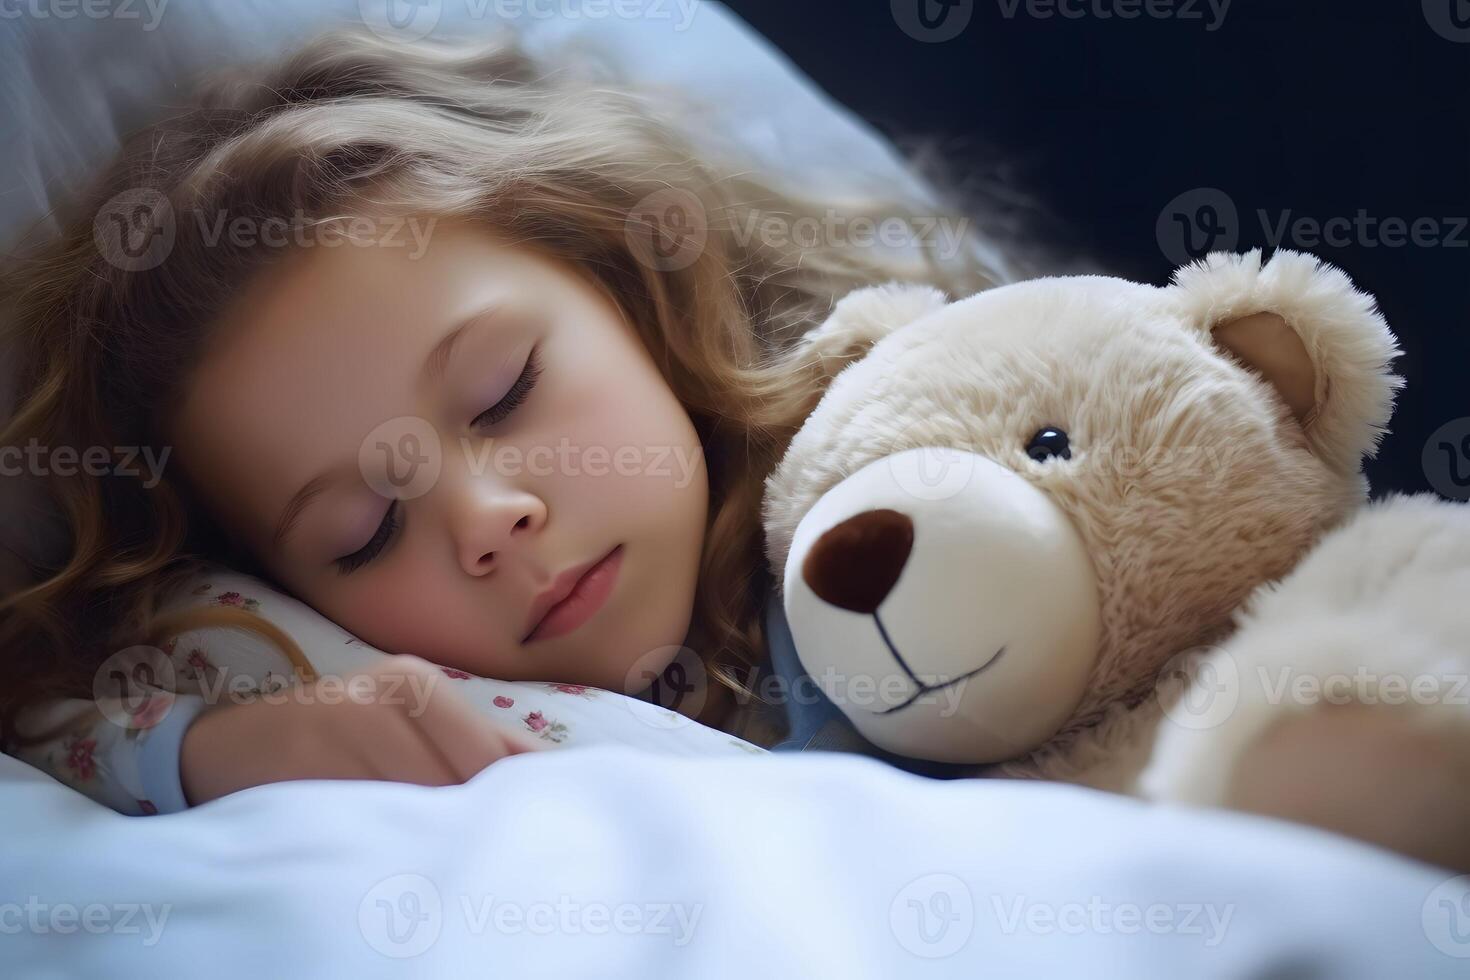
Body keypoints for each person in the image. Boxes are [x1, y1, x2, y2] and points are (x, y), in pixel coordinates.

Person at [0, 25, 1004, 813]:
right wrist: (212, 752)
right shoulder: (303, 680)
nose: (488, 517)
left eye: (503, 391)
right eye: (366, 532)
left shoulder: (926, 457)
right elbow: (49, 732)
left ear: (633, 288)